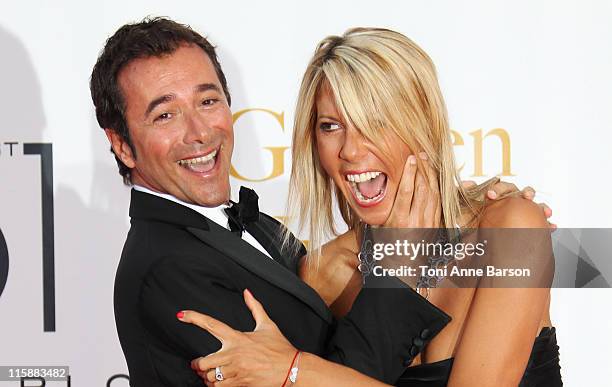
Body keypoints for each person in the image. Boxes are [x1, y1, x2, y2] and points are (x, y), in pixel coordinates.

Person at [90, 18, 488, 387]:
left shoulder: (258, 226)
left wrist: (472, 207)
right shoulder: (168, 269)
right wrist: (399, 266)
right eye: (165, 115)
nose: (199, 133)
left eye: (207, 102)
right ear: (123, 145)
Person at [183, 28, 561, 386]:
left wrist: (294, 371)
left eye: (375, 121)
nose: (350, 150)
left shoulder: (511, 228)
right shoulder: (324, 275)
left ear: (423, 123)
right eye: (331, 126)